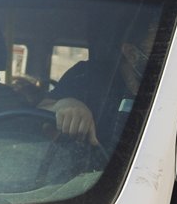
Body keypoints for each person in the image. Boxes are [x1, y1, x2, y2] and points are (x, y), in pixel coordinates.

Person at [38, 16, 158, 148]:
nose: (167, 60)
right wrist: (64, 106)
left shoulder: (169, 88)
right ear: (131, 53)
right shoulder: (87, 76)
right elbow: (39, 112)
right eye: (160, 52)